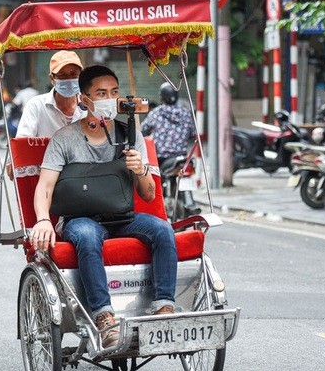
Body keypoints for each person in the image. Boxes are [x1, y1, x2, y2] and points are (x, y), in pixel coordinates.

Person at [31, 65, 178, 348]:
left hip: (121, 216)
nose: (109, 99)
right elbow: (45, 186)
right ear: (84, 99)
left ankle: (164, 309)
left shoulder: (130, 134)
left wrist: (141, 169)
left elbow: (148, 195)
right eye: (101, 93)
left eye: (113, 92)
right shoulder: (65, 138)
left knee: (162, 230)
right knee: (86, 236)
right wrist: (42, 219)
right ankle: (104, 317)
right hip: (81, 218)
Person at [16, 50, 87, 138]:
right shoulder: (36, 106)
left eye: (74, 74)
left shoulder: (90, 106)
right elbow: (22, 143)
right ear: (52, 79)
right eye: (63, 75)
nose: (69, 79)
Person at [141, 82, 196, 165]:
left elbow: (142, 130)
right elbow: (192, 134)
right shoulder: (186, 113)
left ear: (162, 97)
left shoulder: (156, 112)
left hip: (160, 158)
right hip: (181, 156)